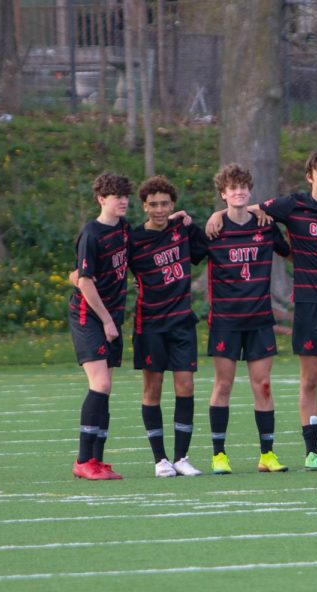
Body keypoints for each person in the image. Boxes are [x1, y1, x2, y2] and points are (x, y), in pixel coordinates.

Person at [211, 151, 317, 470]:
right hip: (309, 303)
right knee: (310, 379)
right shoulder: (293, 204)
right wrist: (218, 215)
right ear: (309, 177)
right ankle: (311, 451)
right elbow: (247, 207)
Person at [201, 164, 292, 475]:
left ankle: (267, 454)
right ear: (223, 194)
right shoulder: (213, 229)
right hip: (226, 320)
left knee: (263, 385)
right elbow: (181, 252)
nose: (238, 191)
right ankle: (219, 455)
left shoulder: (264, 225)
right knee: (223, 384)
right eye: (232, 187)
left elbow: (290, 252)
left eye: (243, 186)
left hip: (259, 320)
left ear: (249, 191)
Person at [127, 176, 205, 477]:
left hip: (182, 322)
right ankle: (160, 460)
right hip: (150, 324)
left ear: (172, 205)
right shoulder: (133, 240)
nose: (159, 209)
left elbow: (205, 249)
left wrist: (188, 221)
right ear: (145, 206)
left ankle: (182, 457)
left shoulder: (182, 230)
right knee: (153, 388)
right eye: (153, 204)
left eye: (165, 204)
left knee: (185, 386)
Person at [69, 172, 132, 480]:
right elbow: (84, 281)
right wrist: (106, 319)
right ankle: (83, 460)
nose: (122, 200)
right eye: (115, 195)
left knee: (107, 389)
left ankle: (97, 460)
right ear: (101, 199)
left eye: (124, 195)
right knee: (101, 384)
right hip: (89, 316)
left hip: (112, 316)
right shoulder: (91, 233)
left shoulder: (123, 229)